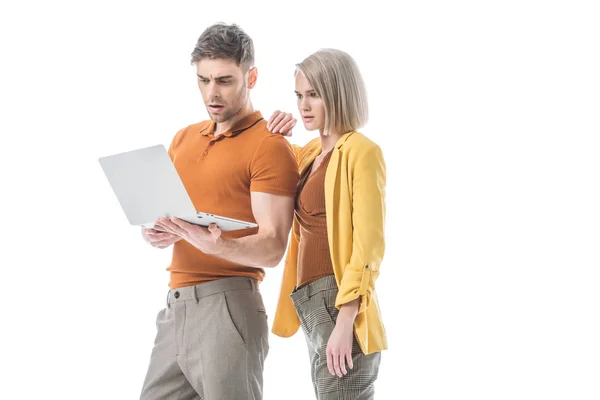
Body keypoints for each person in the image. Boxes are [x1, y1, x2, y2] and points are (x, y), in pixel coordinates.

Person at [139, 23, 299, 400]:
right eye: (204, 80)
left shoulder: (268, 146)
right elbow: (174, 219)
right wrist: (158, 232)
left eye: (225, 80)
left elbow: (273, 247)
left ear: (252, 76)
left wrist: (214, 245)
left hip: (228, 307)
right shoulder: (184, 138)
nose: (212, 92)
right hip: (175, 307)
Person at [268, 49, 387, 399]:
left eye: (314, 95)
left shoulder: (361, 151)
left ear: (337, 94)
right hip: (310, 305)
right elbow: (264, 179)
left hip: (340, 304)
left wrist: (346, 319)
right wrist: (274, 135)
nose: (303, 106)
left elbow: (369, 244)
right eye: (299, 95)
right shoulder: (308, 155)